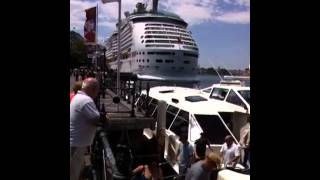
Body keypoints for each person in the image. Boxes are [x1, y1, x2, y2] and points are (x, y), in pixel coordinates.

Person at [70, 78, 101, 180]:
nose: (97, 94)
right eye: (97, 90)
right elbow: (96, 119)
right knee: (73, 173)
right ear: (93, 89)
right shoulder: (86, 100)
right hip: (76, 144)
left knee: (76, 170)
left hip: (76, 142)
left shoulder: (78, 97)